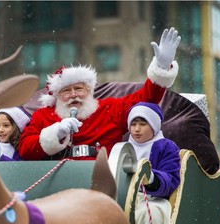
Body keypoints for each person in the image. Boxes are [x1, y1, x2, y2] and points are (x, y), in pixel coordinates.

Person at [19, 27, 181, 160]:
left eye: (79, 89)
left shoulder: (109, 109)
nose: (73, 95)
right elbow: (25, 150)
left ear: (89, 91)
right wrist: (56, 133)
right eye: (66, 91)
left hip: (102, 183)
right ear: (57, 96)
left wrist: (162, 67)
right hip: (57, 184)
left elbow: (146, 100)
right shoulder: (43, 117)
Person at [127, 102, 181, 224]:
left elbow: (171, 179)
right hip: (124, 198)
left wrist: (151, 178)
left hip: (152, 199)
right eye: (133, 124)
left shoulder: (166, 147)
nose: (137, 129)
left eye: (143, 124)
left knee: (151, 214)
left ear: (154, 125)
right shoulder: (122, 145)